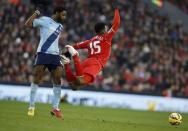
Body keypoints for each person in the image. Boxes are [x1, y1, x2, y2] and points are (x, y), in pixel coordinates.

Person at [61, 8, 120, 90]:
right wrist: (116, 9)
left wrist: (66, 49)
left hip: (86, 62)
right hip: (96, 63)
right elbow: (116, 23)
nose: (107, 29)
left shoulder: (90, 41)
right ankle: (75, 56)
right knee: (80, 81)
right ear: (104, 29)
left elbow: (76, 46)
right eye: (106, 28)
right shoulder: (106, 37)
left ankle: (66, 63)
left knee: (74, 86)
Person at [25, 6, 67, 118]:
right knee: (37, 78)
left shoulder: (60, 26)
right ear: (56, 13)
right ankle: (31, 106)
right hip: (43, 53)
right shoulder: (44, 20)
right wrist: (36, 13)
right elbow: (28, 24)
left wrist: (61, 54)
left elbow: (55, 41)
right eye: (63, 14)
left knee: (58, 79)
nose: (64, 17)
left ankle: (56, 108)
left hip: (54, 55)